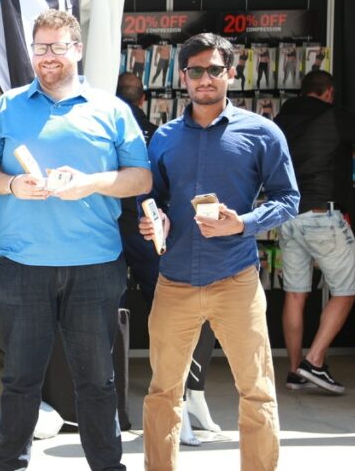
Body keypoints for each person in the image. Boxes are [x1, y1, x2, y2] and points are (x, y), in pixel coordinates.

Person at [0, 9, 152, 471]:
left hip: (94, 265)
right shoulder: (6, 106)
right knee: (19, 379)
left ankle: (107, 466)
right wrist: (14, 185)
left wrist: (91, 182)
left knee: (97, 381)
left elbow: (140, 179)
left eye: (56, 46)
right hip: (22, 265)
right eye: (39, 47)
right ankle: (9, 463)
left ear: (77, 49)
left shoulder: (111, 109)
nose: (47, 56)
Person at [139, 32, 299, 471]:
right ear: (183, 77)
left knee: (257, 390)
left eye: (214, 69)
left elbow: (288, 198)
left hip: (236, 280)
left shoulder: (263, 132)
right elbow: (154, 198)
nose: (204, 78)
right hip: (174, 282)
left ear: (231, 73)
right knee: (162, 393)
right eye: (195, 70)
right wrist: (156, 218)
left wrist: (243, 223)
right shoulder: (165, 137)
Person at [114, 73, 219, 446]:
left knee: (115, 315)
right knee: (182, 317)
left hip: (113, 232)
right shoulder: (160, 134)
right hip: (152, 232)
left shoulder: (112, 128)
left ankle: (124, 407)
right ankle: (193, 396)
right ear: (142, 98)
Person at [274, 70, 355, 395]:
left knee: (295, 294)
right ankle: (315, 361)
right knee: (346, 291)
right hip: (323, 214)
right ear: (329, 92)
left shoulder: (281, 119)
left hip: (288, 215)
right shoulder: (334, 117)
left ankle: (294, 371)